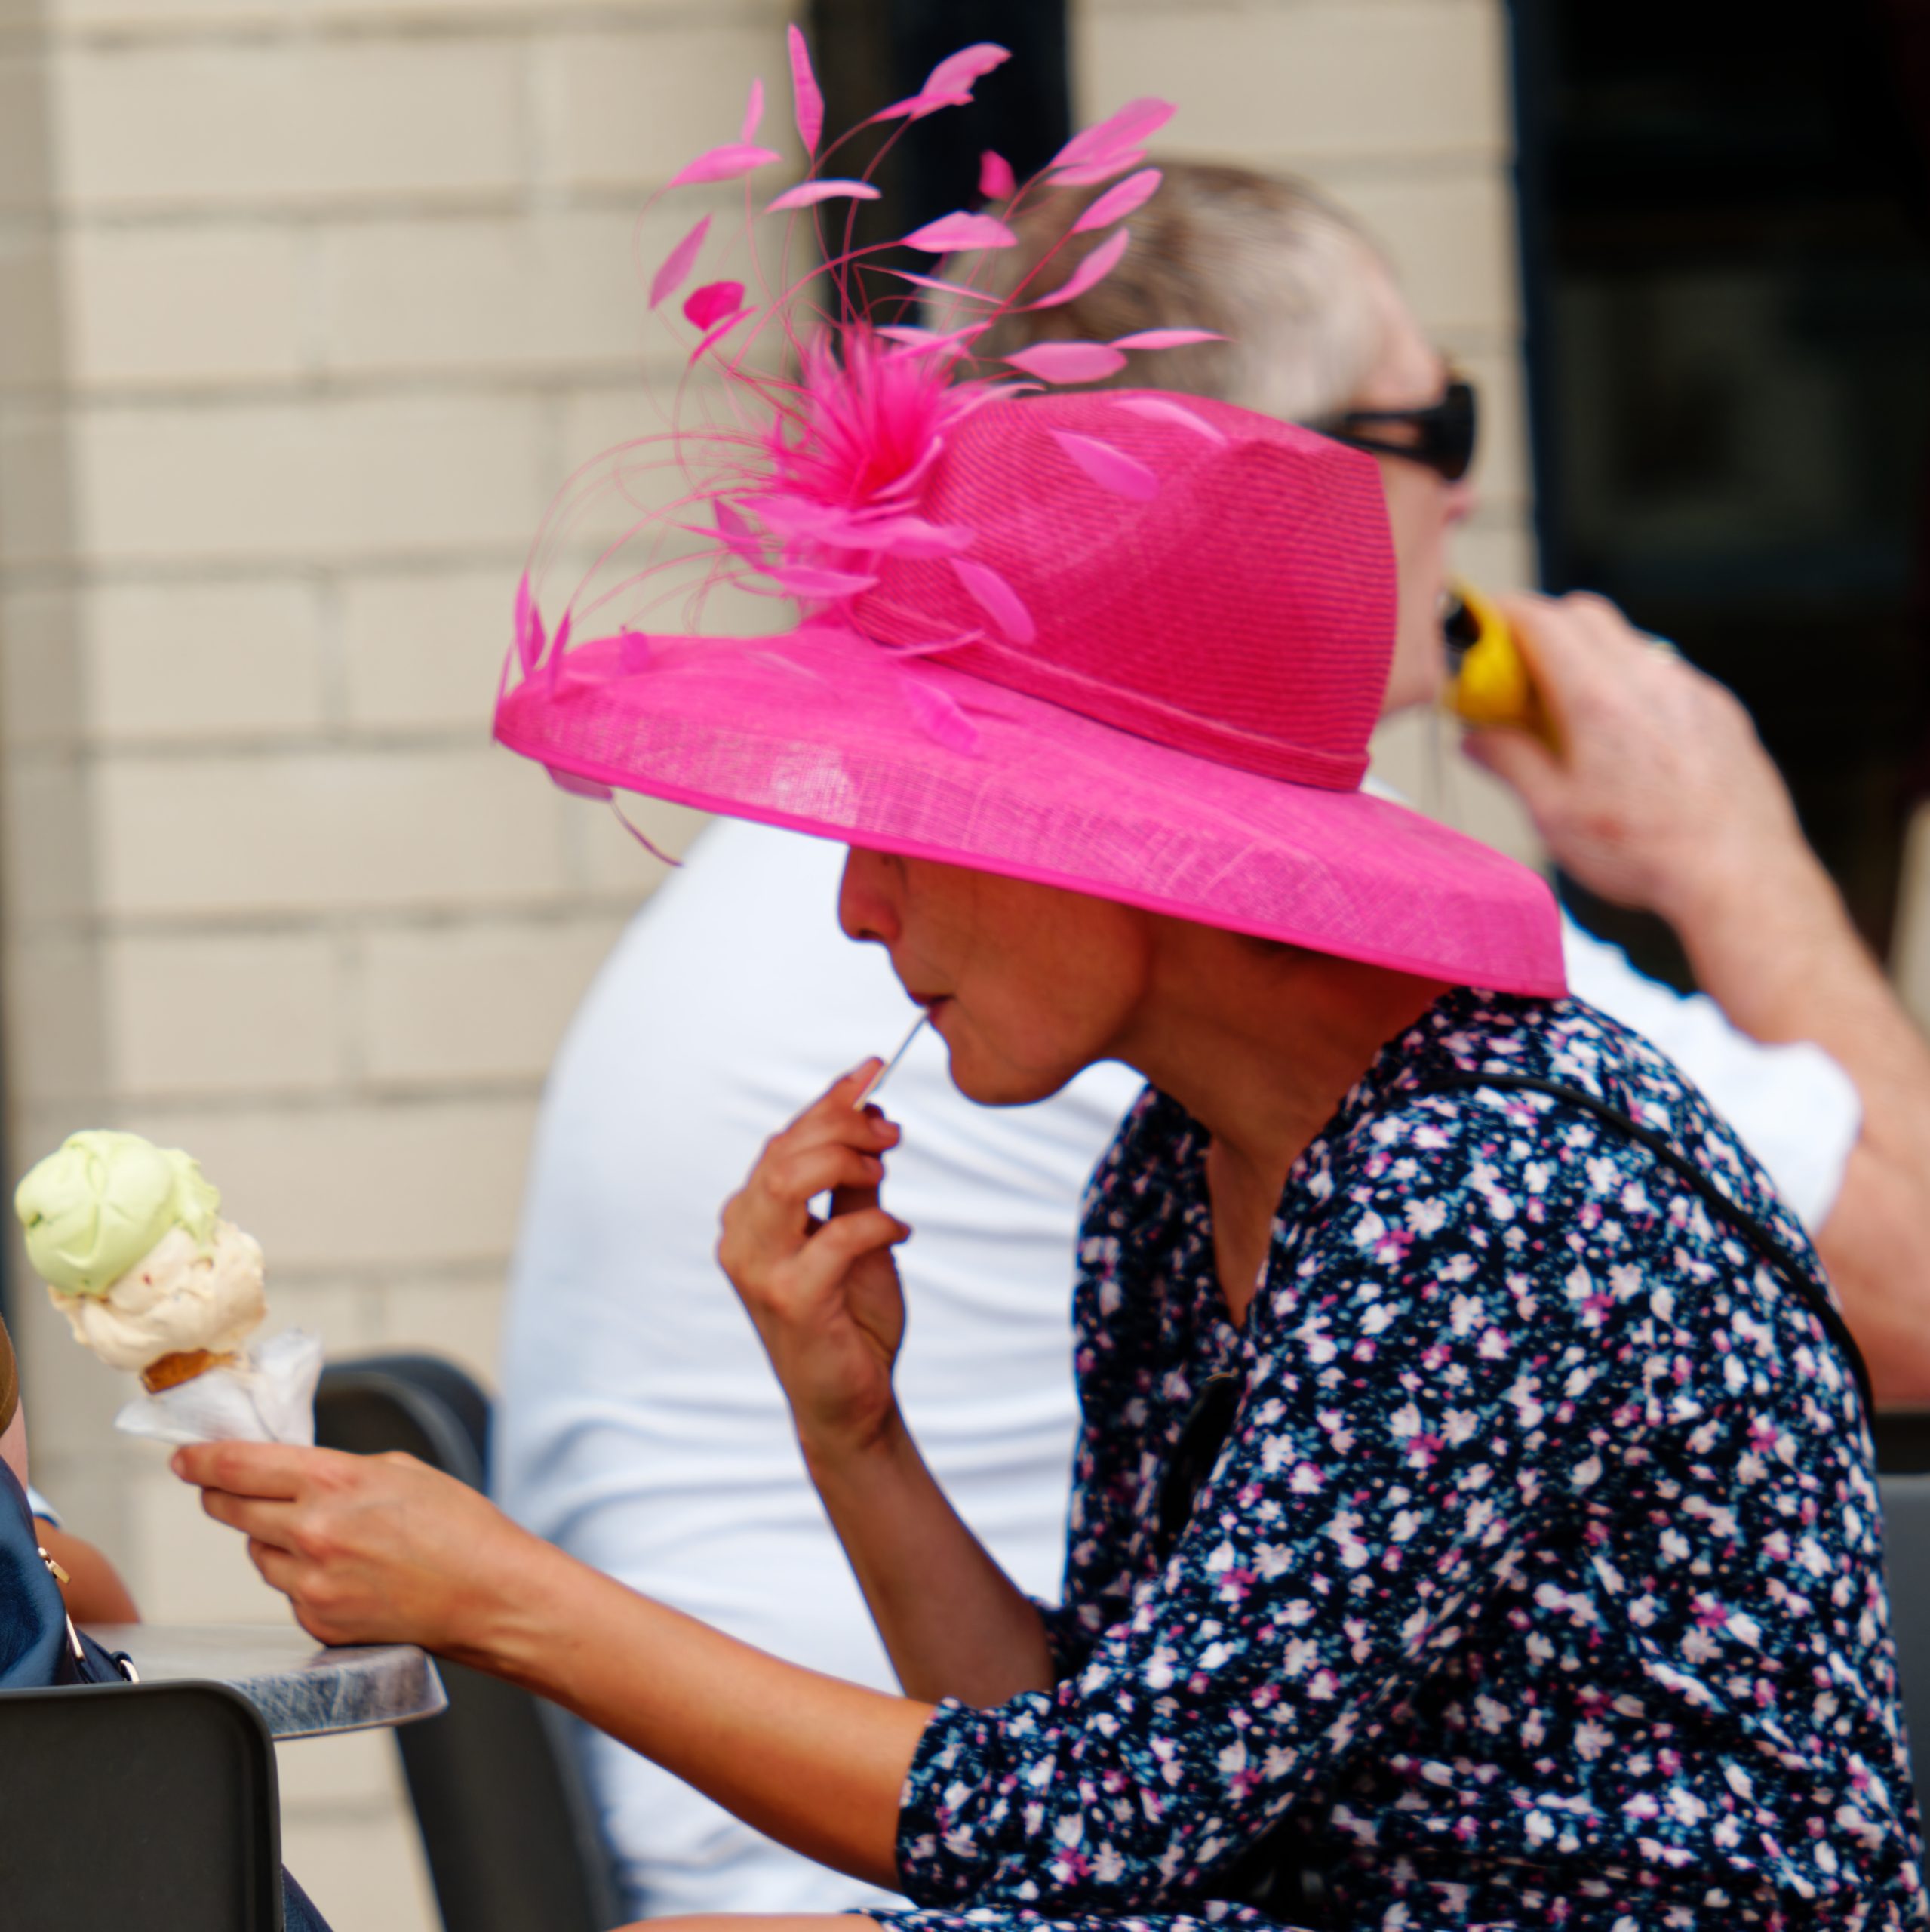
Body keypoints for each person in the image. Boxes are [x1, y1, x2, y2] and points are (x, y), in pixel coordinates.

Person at [180, 69, 1923, 1930]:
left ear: (1124, 842)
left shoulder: (1481, 1187)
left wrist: (510, 1595)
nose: (855, 905)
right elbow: (1094, 1765)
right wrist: (858, 1433)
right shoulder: (1178, 1171)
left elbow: (1086, 1830)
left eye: (916, 831)